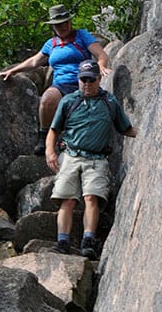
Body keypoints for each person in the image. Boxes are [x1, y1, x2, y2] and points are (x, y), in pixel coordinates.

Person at [45, 58, 136, 260]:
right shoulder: (69, 101)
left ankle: (88, 240)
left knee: (91, 197)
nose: (87, 83)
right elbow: (54, 130)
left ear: (98, 80)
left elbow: (126, 129)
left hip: (96, 158)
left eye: (91, 80)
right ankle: (62, 242)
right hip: (70, 155)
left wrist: (149, 132)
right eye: (83, 79)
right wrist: (50, 152)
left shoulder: (109, 102)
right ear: (78, 80)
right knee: (67, 200)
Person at [0, 4, 110, 153]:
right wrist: (13, 70)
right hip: (60, 84)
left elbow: (101, 55)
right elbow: (34, 61)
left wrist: (100, 67)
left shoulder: (81, 36)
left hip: (83, 81)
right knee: (47, 99)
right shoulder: (51, 44)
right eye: (59, 24)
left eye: (66, 22)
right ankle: (44, 137)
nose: (63, 26)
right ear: (53, 27)